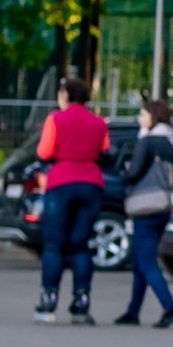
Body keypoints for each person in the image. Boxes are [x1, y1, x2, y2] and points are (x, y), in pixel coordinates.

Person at [34, 76, 110, 324]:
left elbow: (44, 151)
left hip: (61, 181)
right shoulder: (99, 122)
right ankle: (81, 300)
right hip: (91, 183)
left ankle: (49, 298)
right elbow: (104, 151)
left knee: (53, 244)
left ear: (65, 95)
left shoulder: (55, 119)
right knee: (81, 245)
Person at [115, 97, 173, 328]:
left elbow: (133, 173)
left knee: (146, 263)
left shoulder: (146, 142)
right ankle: (132, 311)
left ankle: (170, 308)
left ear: (154, 118)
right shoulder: (171, 143)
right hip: (163, 206)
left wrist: (124, 173)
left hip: (144, 208)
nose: (139, 119)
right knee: (140, 260)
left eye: (143, 115)